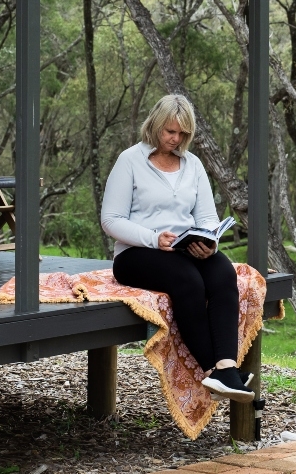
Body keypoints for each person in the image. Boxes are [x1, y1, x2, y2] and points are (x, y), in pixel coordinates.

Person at [100, 94, 254, 402]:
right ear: (155, 126)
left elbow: (208, 217)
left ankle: (226, 366)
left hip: (184, 248)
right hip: (136, 253)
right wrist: (153, 238)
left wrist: (209, 243)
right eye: (171, 131)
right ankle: (213, 370)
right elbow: (111, 220)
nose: (176, 138)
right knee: (188, 279)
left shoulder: (193, 165)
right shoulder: (130, 160)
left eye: (183, 133)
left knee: (223, 272)